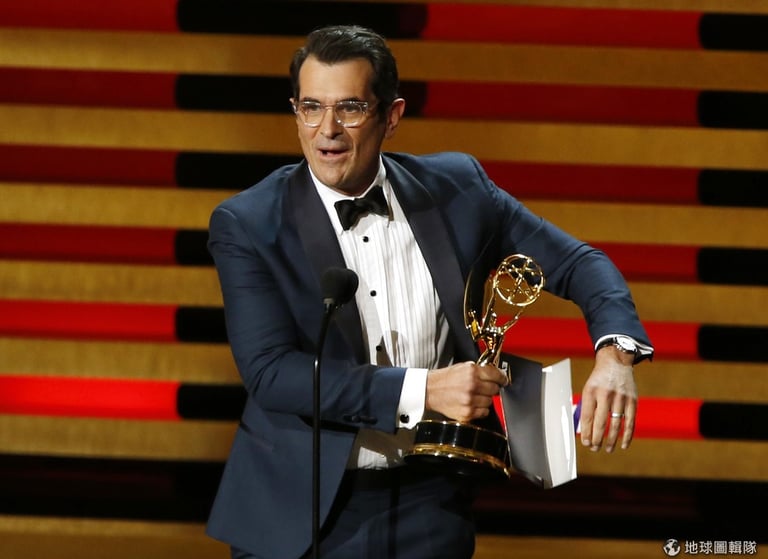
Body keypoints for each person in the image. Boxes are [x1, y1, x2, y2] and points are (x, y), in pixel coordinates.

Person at [205, 24, 654, 559]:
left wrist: (615, 355)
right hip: (301, 508)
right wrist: (423, 390)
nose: (328, 129)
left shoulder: (457, 189)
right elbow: (273, 373)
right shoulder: (249, 222)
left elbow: (579, 263)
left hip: (430, 503)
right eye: (311, 107)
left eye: (350, 108)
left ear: (391, 116)